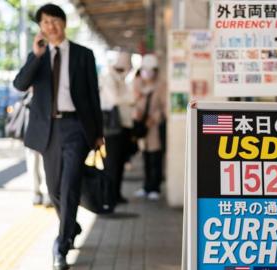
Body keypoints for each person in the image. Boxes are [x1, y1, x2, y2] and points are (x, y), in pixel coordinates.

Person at [12, 4, 103, 270]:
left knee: (70, 185)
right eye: (45, 22)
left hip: (76, 127)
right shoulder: (38, 56)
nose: (50, 26)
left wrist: (97, 134)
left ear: (63, 23)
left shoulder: (83, 55)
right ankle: (71, 225)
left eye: (54, 20)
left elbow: (92, 96)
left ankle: (61, 246)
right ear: (40, 27)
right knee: (53, 190)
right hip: (47, 130)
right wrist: (35, 55)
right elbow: (19, 85)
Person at [99, 52, 134, 204]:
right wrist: (132, 98)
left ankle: (116, 194)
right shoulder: (108, 78)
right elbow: (114, 99)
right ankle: (109, 196)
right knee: (112, 164)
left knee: (119, 163)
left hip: (124, 126)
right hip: (112, 128)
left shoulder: (121, 80)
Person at [133, 66, 165, 200]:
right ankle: (146, 186)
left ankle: (155, 187)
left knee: (155, 158)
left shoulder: (161, 87)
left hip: (154, 127)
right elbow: (134, 105)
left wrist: (154, 118)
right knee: (145, 157)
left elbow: (163, 107)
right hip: (142, 127)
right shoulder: (139, 87)